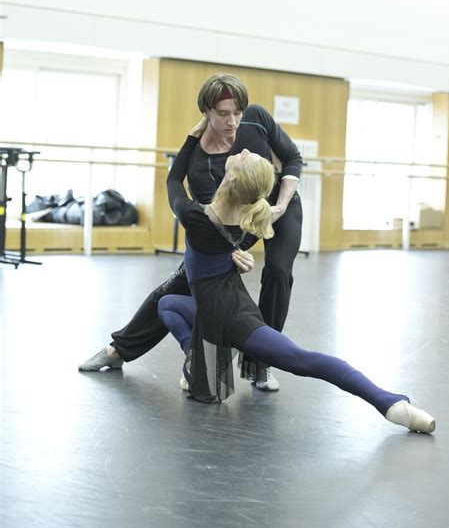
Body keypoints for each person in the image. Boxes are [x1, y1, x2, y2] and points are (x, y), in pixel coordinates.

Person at [156, 117, 435, 434]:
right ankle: (197, 355)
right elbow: (221, 241)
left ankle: (391, 404)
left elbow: (173, 180)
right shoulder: (243, 221)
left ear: (231, 178)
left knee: (301, 359)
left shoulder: (196, 217)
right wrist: (231, 259)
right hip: (223, 309)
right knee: (167, 303)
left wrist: (192, 139)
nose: (246, 149)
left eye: (248, 157)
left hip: (233, 318)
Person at [79, 74, 303, 391]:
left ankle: (261, 364)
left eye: (237, 112)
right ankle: (119, 350)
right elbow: (218, 224)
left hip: (282, 206)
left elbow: (292, 157)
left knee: (279, 271)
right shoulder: (201, 164)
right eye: (223, 114)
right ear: (207, 112)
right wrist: (235, 252)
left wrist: (279, 205)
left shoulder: (257, 119)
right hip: (236, 227)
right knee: (183, 281)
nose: (233, 121)